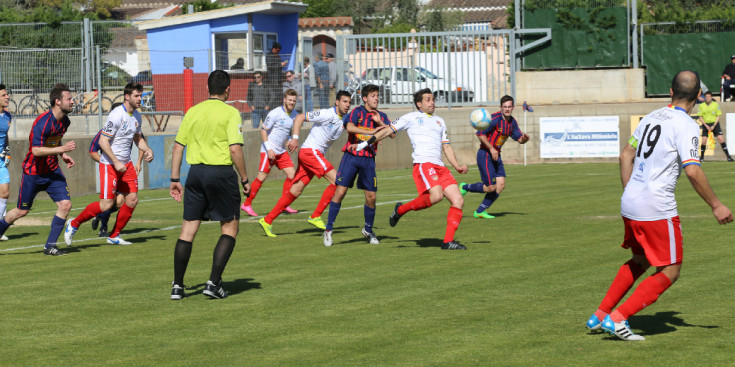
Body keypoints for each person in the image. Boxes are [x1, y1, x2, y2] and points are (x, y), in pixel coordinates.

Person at [585, 71, 733, 341]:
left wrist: (632, 190)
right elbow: (692, 171)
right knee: (670, 269)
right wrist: (716, 205)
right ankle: (617, 319)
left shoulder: (651, 117)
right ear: (699, 96)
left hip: (631, 201)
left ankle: (599, 315)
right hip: (656, 206)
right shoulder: (687, 124)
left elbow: (625, 155)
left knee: (639, 260)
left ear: (670, 91)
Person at [169, 70, 251, 300]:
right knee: (230, 228)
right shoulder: (231, 112)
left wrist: (175, 180)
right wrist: (244, 179)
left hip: (195, 174)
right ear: (228, 89)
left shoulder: (193, 111)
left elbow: (177, 147)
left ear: (207, 89)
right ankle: (213, 283)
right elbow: (235, 149)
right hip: (221, 173)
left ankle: (178, 285)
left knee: (188, 229)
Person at [355, 88, 469, 250]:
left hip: (440, 167)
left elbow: (447, 147)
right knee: (436, 196)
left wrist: (457, 166)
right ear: (419, 104)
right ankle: (401, 210)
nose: (432, 102)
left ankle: (448, 242)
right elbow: (387, 131)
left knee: (458, 200)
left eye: (433, 99)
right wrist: (366, 143)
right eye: (428, 99)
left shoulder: (440, 121)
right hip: (424, 164)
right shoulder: (411, 117)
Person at [64, 83, 154, 246]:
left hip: (125, 165)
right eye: (137, 96)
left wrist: (147, 149)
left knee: (132, 199)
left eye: (141, 96)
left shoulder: (137, 116)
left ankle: (114, 235)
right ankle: (74, 223)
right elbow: (103, 141)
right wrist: (116, 161)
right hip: (109, 165)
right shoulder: (116, 115)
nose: (140, 99)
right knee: (106, 204)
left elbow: (137, 137)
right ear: (127, 97)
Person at [258, 90, 352, 237]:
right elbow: (300, 117)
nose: (347, 105)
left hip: (312, 155)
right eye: (344, 101)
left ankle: (267, 220)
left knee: (295, 190)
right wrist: (295, 138)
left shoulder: (345, 119)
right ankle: (316, 216)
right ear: (337, 102)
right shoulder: (327, 114)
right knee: (338, 181)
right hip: (310, 152)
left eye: (349, 102)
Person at [0, 83, 76, 256]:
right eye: (69, 99)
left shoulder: (65, 121)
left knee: (65, 205)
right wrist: (61, 150)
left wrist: (62, 155)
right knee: (21, 211)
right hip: (33, 173)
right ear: (57, 101)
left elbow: (54, 141)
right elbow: (35, 150)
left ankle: (50, 246)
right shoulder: (42, 123)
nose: (73, 102)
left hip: (52, 171)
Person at [323, 84, 391, 247]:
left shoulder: (381, 115)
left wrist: (379, 122)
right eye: (373, 95)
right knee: (340, 192)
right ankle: (328, 230)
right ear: (365, 98)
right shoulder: (357, 112)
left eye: (377, 95)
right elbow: (349, 127)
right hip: (351, 157)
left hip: (368, 160)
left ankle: (368, 230)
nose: (376, 98)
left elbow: (392, 133)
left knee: (371, 197)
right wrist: (372, 132)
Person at [459, 96, 530, 219]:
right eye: (505, 107)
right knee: (490, 187)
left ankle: (480, 211)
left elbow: (519, 139)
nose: (507, 109)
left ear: (513, 107)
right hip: (485, 154)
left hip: (496, 155)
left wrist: (524, 139)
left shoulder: (512, 122)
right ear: (501, 107)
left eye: (509, 107)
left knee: (501, 185)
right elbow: (480, 134)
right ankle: (465, 187)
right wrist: (491, 149)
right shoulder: (494, 119)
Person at [240, 89, 299, 217]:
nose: (292, 103)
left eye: (294, 101)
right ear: (284, 100)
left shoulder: (294, 115)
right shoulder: (275, 113)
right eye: (289, 100)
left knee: (292, 175)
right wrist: (269, 149)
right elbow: (263, 131)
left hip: (281, 151)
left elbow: (285, 133)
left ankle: (284, 204)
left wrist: (289, 141)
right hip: (269, 150)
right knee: (261, 177)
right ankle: (246, 204)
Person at [696, 91, 734, 162]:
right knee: (704, 141)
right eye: (706, 97)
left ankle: (729, 157)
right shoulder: (702, 105)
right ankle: (701, 158)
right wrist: (706, 125)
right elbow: (700, 116)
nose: (707, 98)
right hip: (705, 124)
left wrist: (714, 125)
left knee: (721, 139)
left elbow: (718, 116)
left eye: (708, 97)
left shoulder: (715, 105)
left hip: (715, 124)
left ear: (711, 97)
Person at [0, 84, 12, 241]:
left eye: (7, 94)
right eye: (3, 95)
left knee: (5, 192)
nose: (7, 97)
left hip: (1, 161)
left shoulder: (8, 116)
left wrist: (7, 149)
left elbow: (6, 136)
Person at [266, 42, 288, 107]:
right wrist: (280, 65)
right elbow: (270, 66)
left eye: (279, 51)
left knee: (279, 95)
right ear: (274, 49)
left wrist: (282, 64)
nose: (278, 52)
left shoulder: (277, 56)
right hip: (273, 79)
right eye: (277, 50)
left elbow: (278, 66)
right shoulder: (269, 55)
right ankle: (273, 108)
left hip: (278, 79)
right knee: (274, 96)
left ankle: (278, 107)